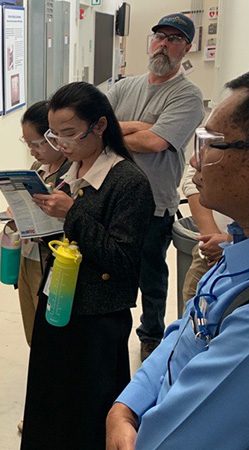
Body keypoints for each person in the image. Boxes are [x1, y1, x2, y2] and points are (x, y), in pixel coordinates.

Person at [106, 72, 249, 450]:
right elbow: (186, 333)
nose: (194, 161)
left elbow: (170, 439)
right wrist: (127, 405)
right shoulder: (236, 249)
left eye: (209, 144)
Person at [21, 82, 154, 449]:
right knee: (49, 403)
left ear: (99, 126)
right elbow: (64, 239)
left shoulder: (128, 181)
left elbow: (123, 259)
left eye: (69, 134)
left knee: (86, 413)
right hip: (58, 302)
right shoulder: (70, 170)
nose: (60, 144)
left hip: (97, 316)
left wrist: (71, 213)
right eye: (54, 134)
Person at [106, 12, 205, 361]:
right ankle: (109, 330)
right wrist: (142, 127)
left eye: (174, 39)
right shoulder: (123, 86)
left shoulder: (188, 96)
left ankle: (151, 335)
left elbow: (155, 143)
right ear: (151, 41)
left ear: (187, 48)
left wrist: (121, 131)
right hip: (113, 196)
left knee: (151, 275)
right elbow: (97, 127)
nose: (164, 44)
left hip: (154, 201)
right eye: (159, 36)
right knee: (110, 269)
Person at [13, 100, 72, 347]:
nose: (32, 151)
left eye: (36, 144)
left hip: (53, 259)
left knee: (50, 330)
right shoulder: (38, 167)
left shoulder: (72, 172)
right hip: (29, 254)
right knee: (32, 326)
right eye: (27, 145)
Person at [180, 163, 232, 302]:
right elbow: (192, 183)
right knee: (193, 308)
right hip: (210, 254)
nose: (193, 161)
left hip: (237, 250)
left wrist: (232, 242)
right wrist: (212, 240)